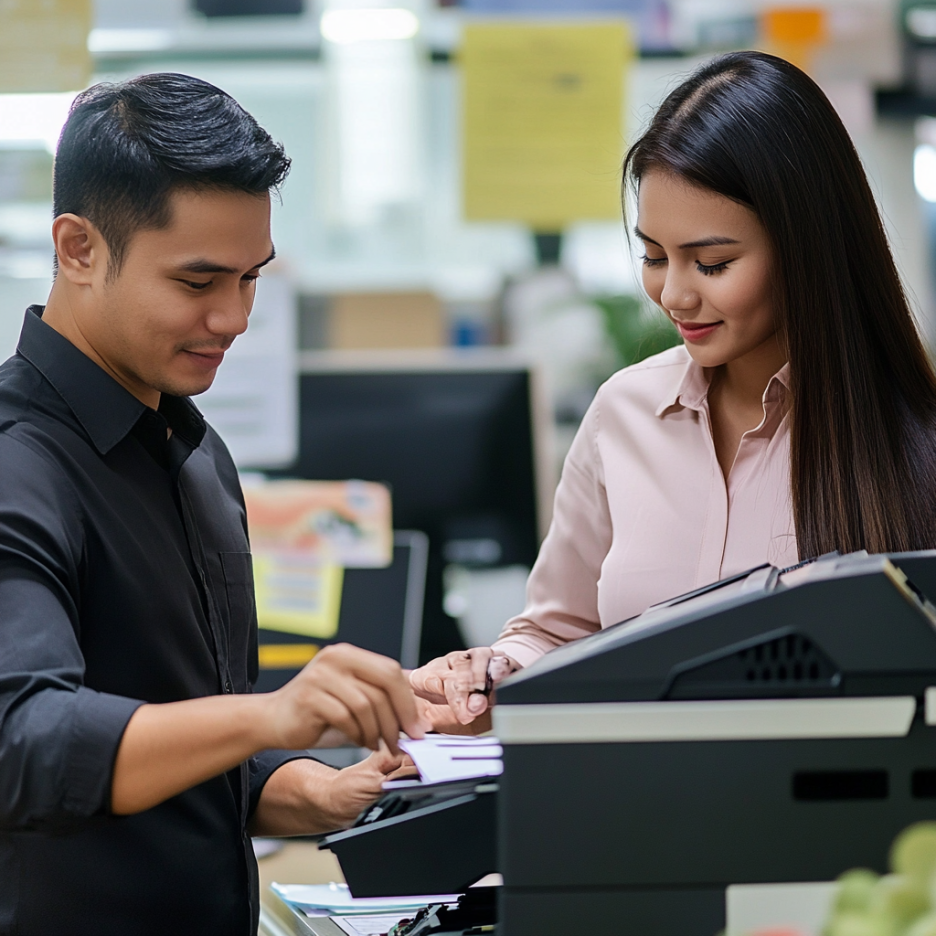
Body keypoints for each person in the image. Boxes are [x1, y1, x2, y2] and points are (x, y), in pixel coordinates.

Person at [0, 74, 425, 936]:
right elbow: (28, 746)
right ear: (78, 249)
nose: (234, 318)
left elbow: (189, 720)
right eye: (198, 282)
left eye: (251, 278)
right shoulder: (17, 465)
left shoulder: (192, 452)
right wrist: (273, 713)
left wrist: (305, 784)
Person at [410, 49, 936, 730]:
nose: (675, 294)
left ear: (807, 247)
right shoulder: (623, 413)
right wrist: (494, 674)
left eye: (712, 262)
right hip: (636, 813)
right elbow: (556, 632)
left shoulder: (911, 440)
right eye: (654, 256)